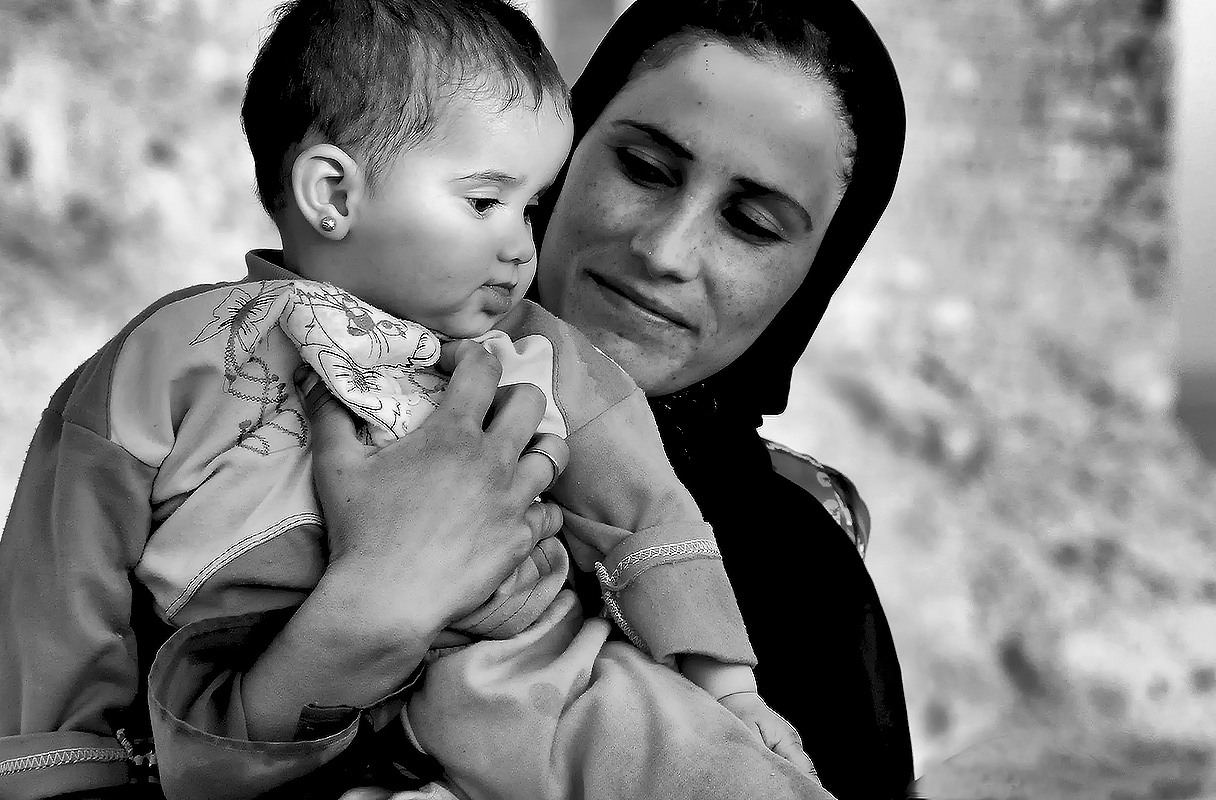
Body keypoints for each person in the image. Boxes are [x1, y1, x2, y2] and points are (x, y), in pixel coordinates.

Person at [0, 0, 914, 798]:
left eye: (752, 223)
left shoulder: (807, 586)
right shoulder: (198, 396)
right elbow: (56, 694)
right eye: (642, 167)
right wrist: (370, 608)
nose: (665, 252)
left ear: (816, 275)